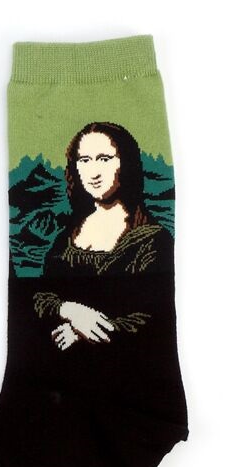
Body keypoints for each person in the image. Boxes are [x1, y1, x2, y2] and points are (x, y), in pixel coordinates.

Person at [37, 121, 172, 350]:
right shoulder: (67, 237)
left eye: (104, 159)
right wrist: (69, 310)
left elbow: (152, 318)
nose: (94, 172)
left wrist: (81, 333)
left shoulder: (153, 241)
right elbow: (39, 296)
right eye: (84, 160)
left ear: (125, 163)